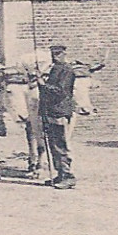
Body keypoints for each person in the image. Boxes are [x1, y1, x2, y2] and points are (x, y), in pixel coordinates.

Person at [39, 45, 78, 190]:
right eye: (53, 54)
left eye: (57, 54)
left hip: (60, 111)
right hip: (51, 111)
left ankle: (68, 176)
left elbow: (60, 91)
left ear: (63, 54)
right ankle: (60, 174)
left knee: (60, 144)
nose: (55, 57)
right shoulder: (55, 69)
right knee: (53, 144)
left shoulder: (67, 70)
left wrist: (43, 85)